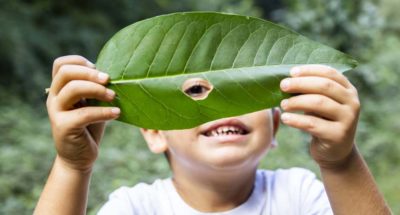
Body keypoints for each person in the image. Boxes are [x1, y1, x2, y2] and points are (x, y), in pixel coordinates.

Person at [34, 55, 391, 215]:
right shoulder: (135, 208)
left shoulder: (298, 194)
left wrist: (341, 162)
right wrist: (72, 166)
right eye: (196, 92)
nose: (223, 106)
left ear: (275, 127)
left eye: (245, 93)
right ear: (155, 132)